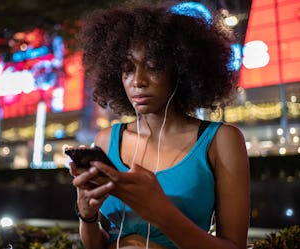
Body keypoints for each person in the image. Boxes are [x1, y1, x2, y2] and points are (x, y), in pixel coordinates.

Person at [69, 1, 250, 249]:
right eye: (127, 69)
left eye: (153, 67)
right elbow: (98, 244)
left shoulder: (220, 140)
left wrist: (159, 211)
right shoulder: (106, 140)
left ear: (182, 69)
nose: (138, 81)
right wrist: (86, 215)